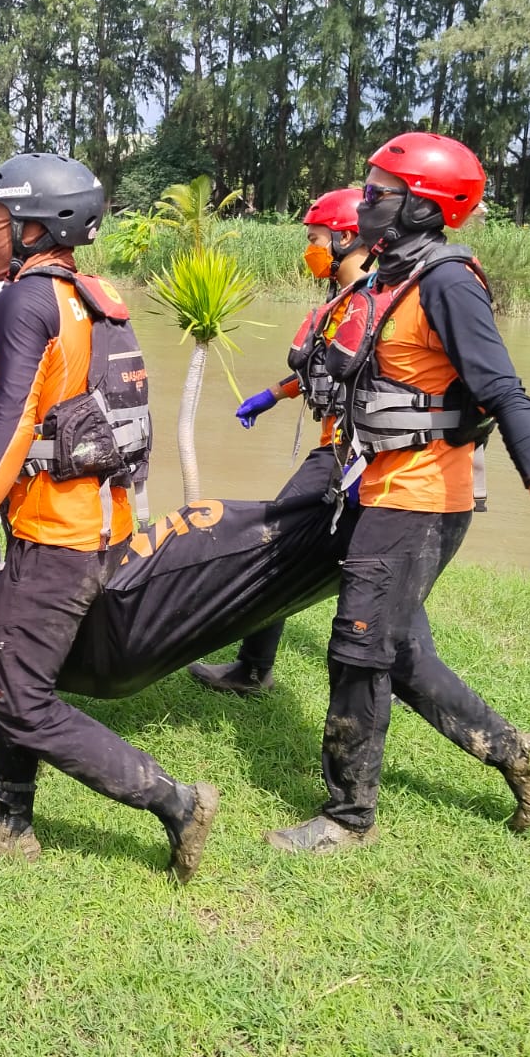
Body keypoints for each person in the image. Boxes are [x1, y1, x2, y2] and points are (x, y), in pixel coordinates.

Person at [267, 132, 530, 854]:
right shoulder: (388, 274)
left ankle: (348, 818)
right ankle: (516, 752)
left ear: (422, 206)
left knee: (357, 651)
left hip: (419, 498)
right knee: (402, 655)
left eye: (382, 191)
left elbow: (505, 392)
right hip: (373, 485)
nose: (368, 201)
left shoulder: (447, 282)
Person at [0, 152, 219, 882]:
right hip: (94, 521)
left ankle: (176, 801)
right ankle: (11, 824)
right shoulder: (88, 294)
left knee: (19, 697)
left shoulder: (27, 300)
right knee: (4, 656)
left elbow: (16, 425)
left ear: (31, 224)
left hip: (60, 534)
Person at [187, 186, 367, 695]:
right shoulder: (342, 304)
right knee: (293, 548)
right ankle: (255, 665)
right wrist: (272, 394)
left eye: (314, 238)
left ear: (347, 237)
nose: (308, 248)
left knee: (275, 544)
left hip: (349, 455)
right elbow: (320, 370)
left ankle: (251, 669)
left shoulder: (371, 304)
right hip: (335, 445)